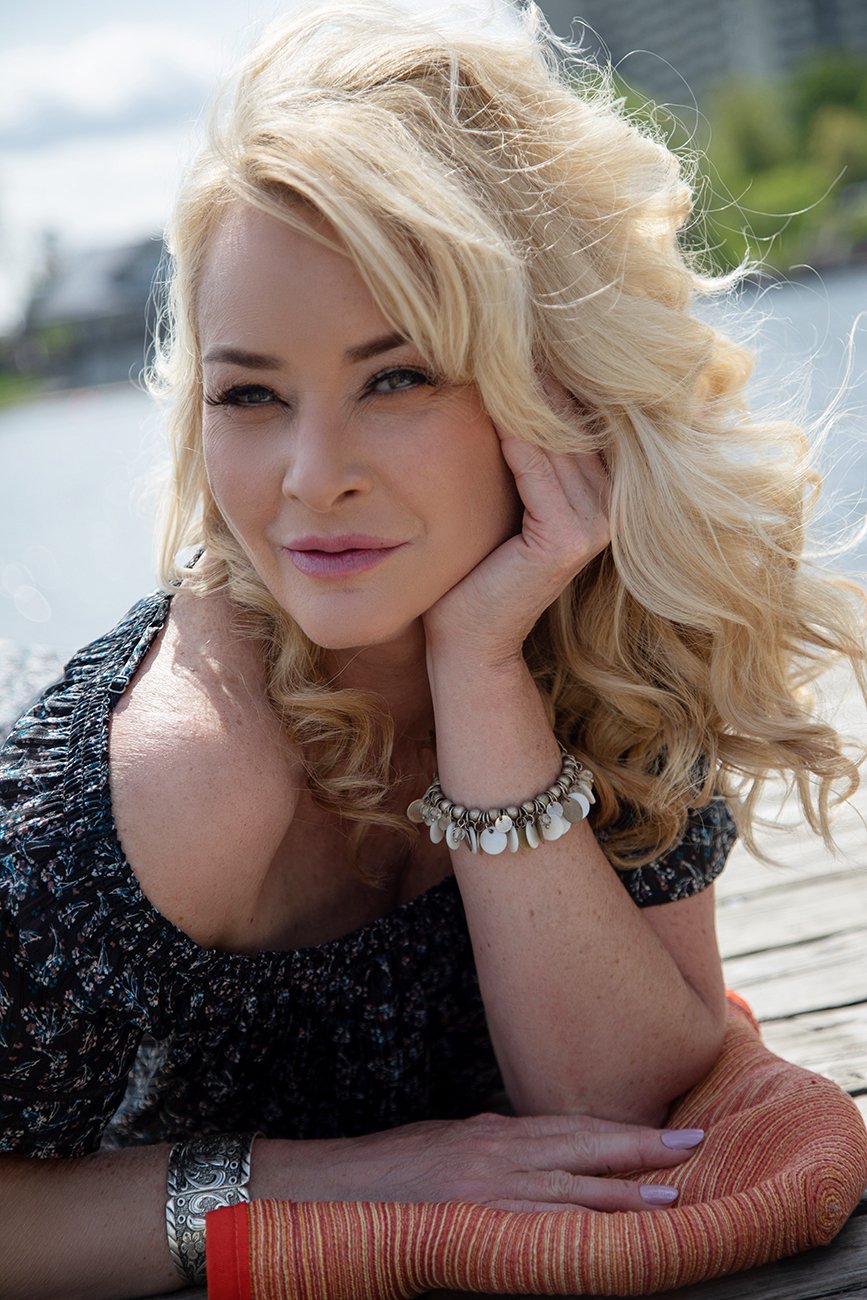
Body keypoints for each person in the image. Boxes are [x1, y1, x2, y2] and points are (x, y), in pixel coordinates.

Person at [1, 2, 864, 1296]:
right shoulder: (192, 780)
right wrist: (324, 1182)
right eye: (250, 394)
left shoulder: (604, 633)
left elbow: (623, 1116)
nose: (311, 478)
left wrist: (480, 673)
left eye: (395, 377)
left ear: (554, 379)